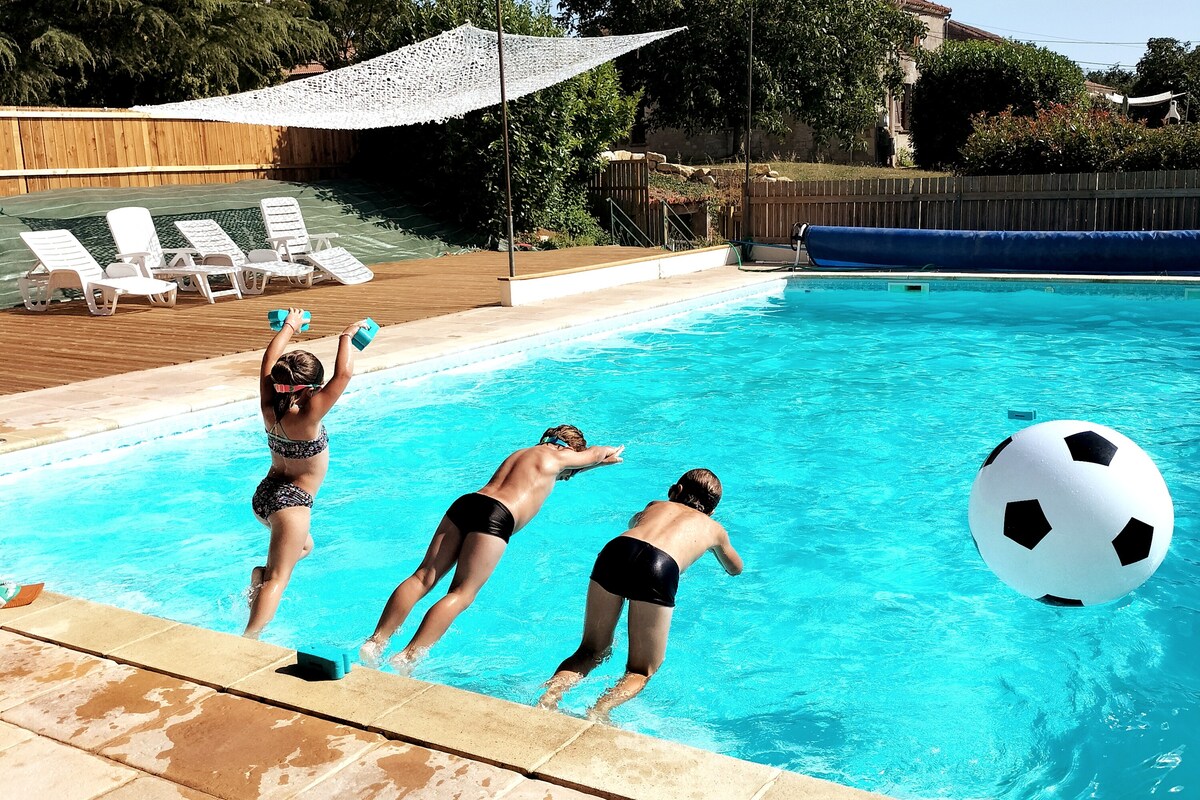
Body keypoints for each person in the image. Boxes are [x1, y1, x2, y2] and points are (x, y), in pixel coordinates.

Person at [361, 425, 624, 667]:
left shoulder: (523, 454)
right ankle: (407, 657)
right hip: (496, 516)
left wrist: (594, 466)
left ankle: (375, 642)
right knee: (462, 593)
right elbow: (595, 453)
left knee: (422, 577)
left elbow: (566, 470)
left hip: (467, 503)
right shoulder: (558, 456)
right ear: (569, 448)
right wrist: (607, 454)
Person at [537, 468, 742, 720]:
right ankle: (599, 712)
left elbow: (635, 523)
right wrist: (714, 546)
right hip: (660, 566)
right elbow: (735, 568)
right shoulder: (714, 528)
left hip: (617, 550)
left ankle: (548, 698)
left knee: (590, 651)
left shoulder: (656, 505)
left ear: (674, 491)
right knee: (641, 669)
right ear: (712, 511)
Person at [245, 308, 369, 638]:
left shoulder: (270, 404)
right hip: (291, 503)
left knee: (303, 547)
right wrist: (347, 336)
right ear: (312, 387)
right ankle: (249, 639)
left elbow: (266, 364)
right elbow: (342, 376)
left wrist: (290, 325)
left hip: (266, 496)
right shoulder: (309, 413)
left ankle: (260, 577)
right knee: (279, 579)